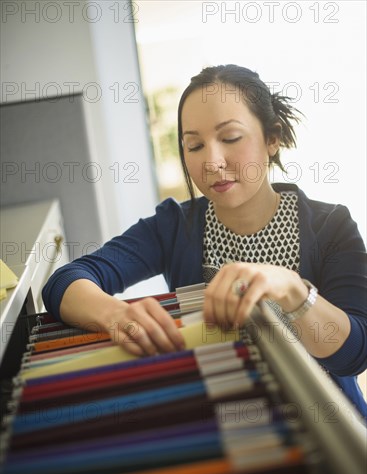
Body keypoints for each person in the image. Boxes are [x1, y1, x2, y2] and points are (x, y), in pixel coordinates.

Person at [42, 65, 367, 419]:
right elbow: (64, 282)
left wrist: (292, 290)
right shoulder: (173, 227)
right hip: (220, 423)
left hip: (328, 430)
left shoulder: (331, 226)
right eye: (194, 145)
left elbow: (354, 354)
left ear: (272, 138)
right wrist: (116, 314)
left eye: (230, 138)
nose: (211, 162)